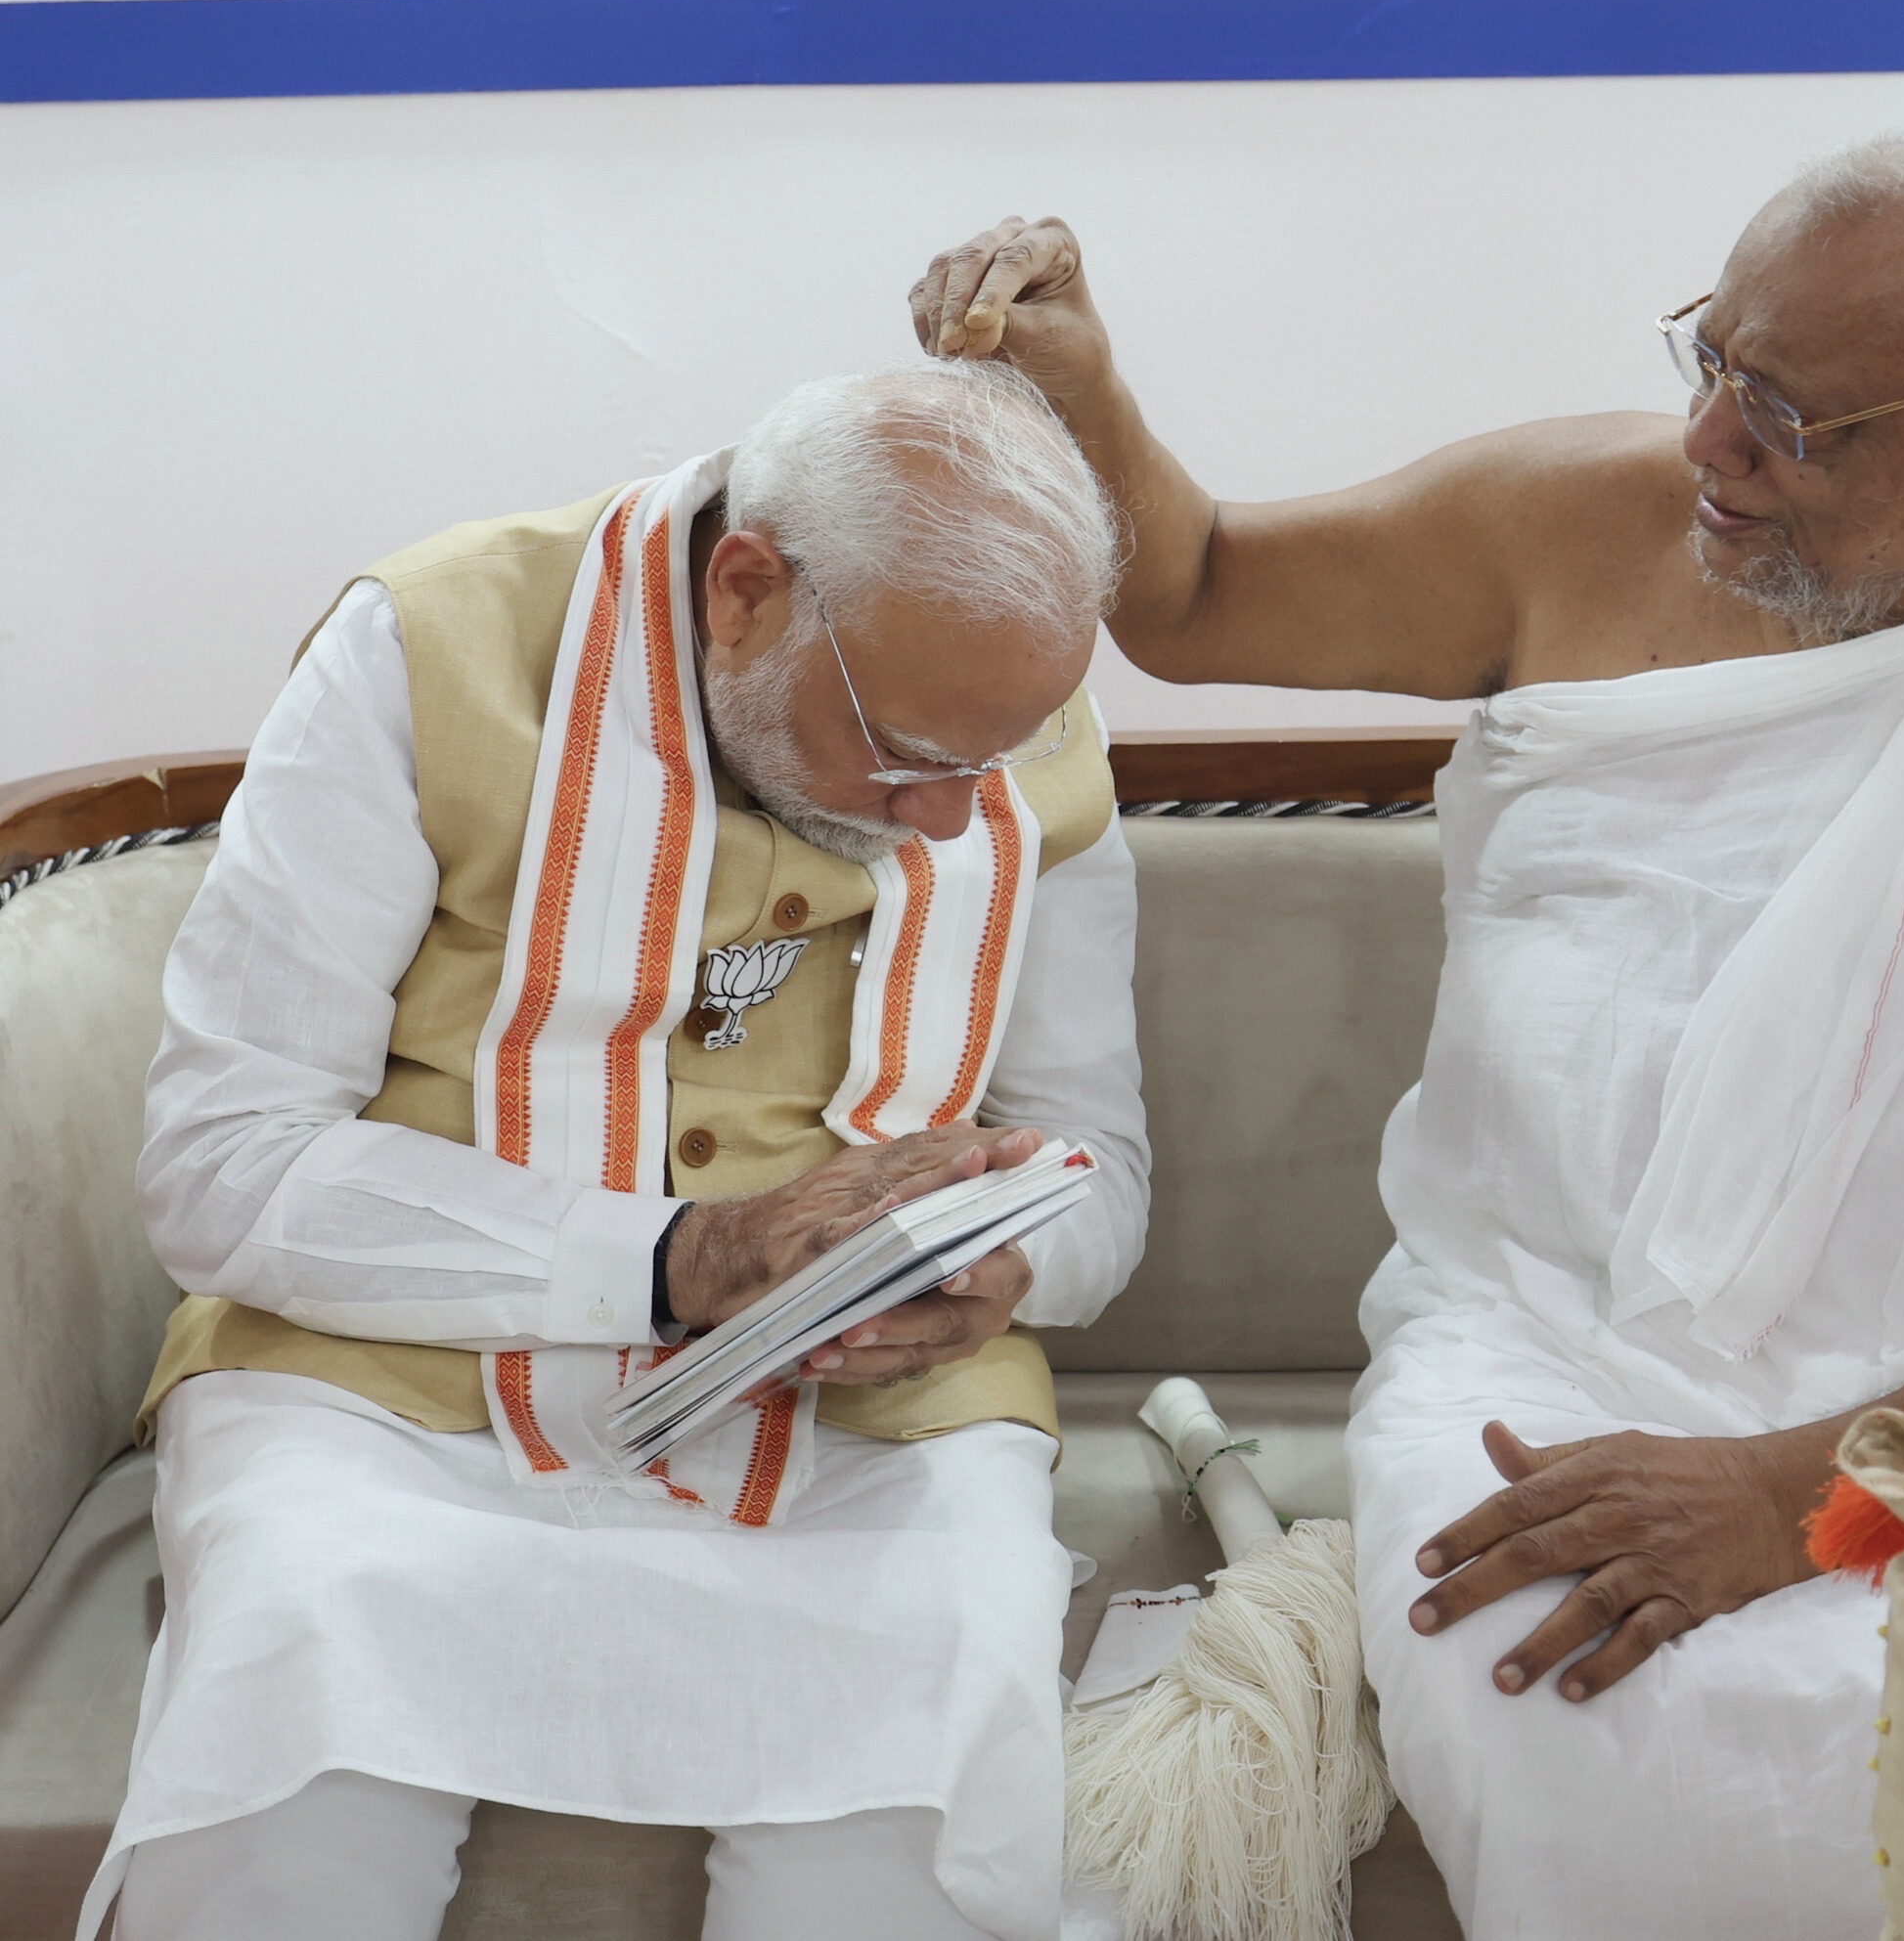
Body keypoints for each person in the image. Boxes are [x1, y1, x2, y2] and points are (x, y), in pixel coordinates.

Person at [909, 137, 1904, 1940]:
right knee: (1611, 1740)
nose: (1710, 446)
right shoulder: (1584, 521)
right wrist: (1081, 378)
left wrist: (1784, 1493)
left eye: (1792, 418)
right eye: (1711, 358)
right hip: (1538, 1359)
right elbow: (1193, 596)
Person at [82, 360, 1150, 1941]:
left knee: (914, 1816)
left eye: (979, 771)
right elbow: (223, 1162)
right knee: (286, 1777)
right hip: (384, 1403)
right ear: (744, 590)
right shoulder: (422, 650)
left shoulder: (1017, 733)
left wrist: (998, 1263)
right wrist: (685, 1256)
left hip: (865, 1437)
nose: (944, 822)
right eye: (905, 751)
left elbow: (1098, 1169)